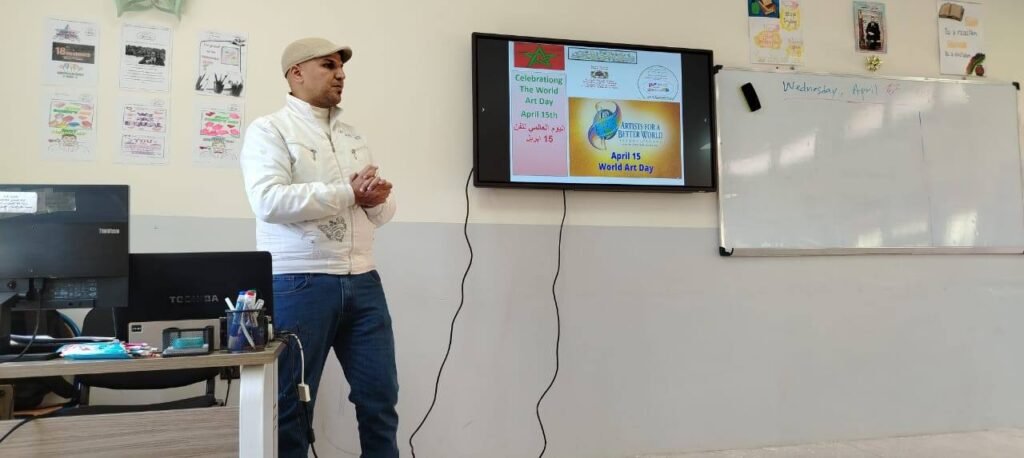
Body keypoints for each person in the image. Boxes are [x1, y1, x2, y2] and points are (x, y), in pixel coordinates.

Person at [239, 37, 398, 458]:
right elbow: (268, 201)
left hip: (363, 279)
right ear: (296, 73)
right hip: (299, 280)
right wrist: (349, 192)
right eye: (328, 66)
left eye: (341, 68)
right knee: (292, 404)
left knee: (381, 398)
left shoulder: (353, 136)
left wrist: (377, 198)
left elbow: (379, 212)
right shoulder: (270, 130)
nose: (340, 74)